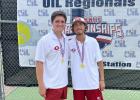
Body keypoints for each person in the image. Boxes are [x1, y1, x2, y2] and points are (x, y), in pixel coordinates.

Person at [69, 17, 105, 100]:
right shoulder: (69, 43)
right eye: (76, 25)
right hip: (77, 85)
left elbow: (100, 62)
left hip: (93, 84)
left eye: (81, 24)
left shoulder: (93, 41)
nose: (78, 27)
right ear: (73, 28)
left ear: (85, 27)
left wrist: (102, 80)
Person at [35, 11, 69, 100]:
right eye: (57, 21)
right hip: (51, 86)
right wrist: (41, 85)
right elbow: (39, 64)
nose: (60, 24)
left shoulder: (66, 39)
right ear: (52, 23)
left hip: (64, 84)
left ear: (65, 24)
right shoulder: (44, 40)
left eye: (62, 22)